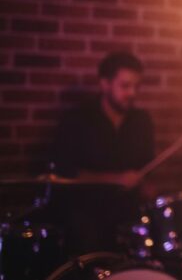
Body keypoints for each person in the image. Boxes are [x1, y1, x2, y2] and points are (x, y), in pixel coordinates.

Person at [51, 51, 155, 254]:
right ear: (105, 84)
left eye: (136, 86)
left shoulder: (142, 121)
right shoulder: (77, 120)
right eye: (125, 86)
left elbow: (144, 169)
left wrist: (147, 187)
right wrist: (117, 179)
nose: (132, 93)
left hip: (128, 213)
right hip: (87, 214)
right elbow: (65, 174)